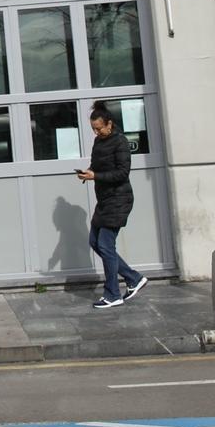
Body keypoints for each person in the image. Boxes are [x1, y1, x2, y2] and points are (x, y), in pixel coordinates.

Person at [77, 102, 145, 311]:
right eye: (93, 129)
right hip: (105, 200)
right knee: (95, 242)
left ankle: (113, 294)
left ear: (109, 124)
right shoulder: (99, 142)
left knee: (106, 245)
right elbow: (97, 165)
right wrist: (87, 172)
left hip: (119, 199)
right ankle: (133, 278)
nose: (96, 132)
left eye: (99, 128)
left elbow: (122, 173)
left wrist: (96, 176)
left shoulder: (120, 142)